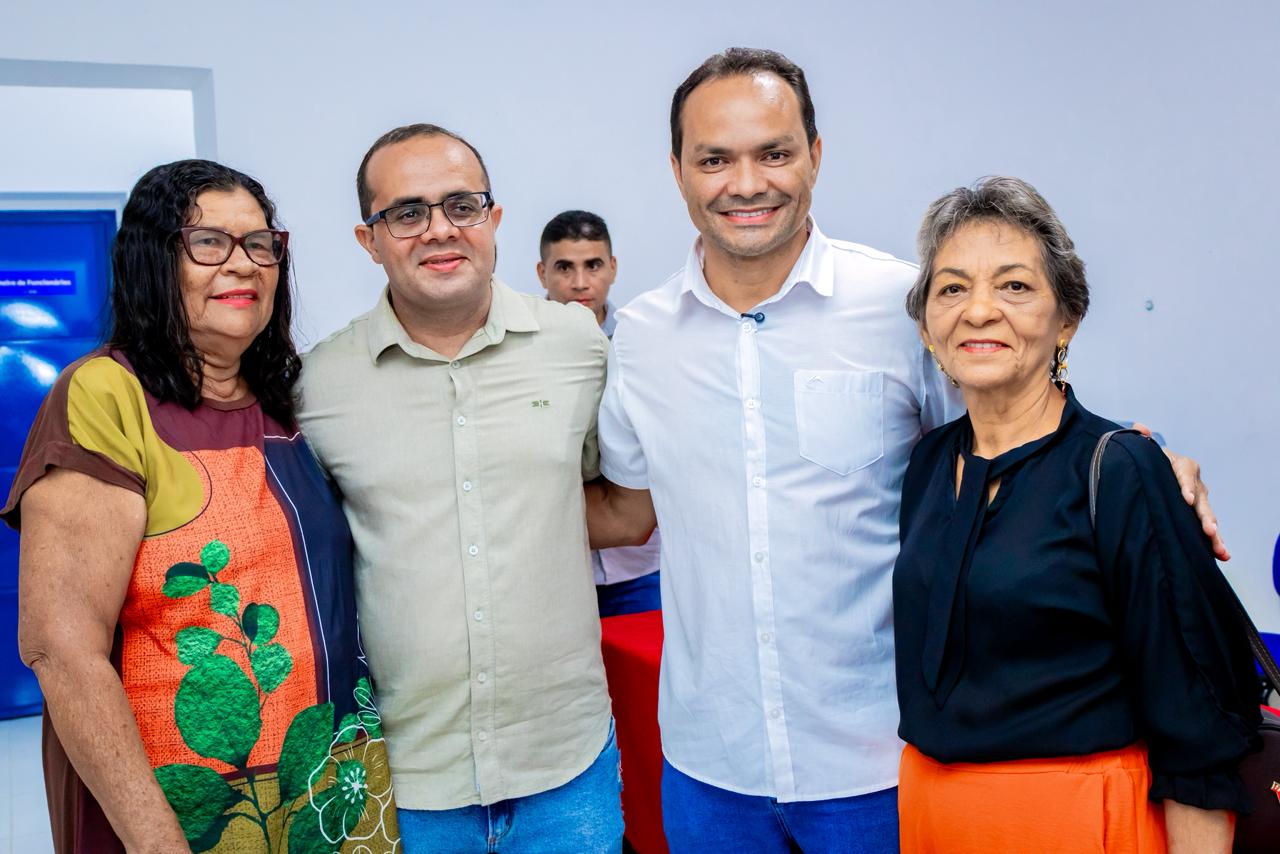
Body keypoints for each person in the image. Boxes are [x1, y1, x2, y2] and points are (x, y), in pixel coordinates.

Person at [585, 48, 1224, 853]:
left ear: (815, 156)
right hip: (711, 770)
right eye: (715, 158)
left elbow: (1016, 420)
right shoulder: (640, 338)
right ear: (677, 169)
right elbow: (631, 506)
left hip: (880, 768)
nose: (746, 183)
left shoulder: (900, 305)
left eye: (774, 153)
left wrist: (1156, 460)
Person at [4, 160, 399, 853]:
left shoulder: (287, 399)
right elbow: (61, 649)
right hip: (187, 815)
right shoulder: (106, 396)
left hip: (330, 789)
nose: (243, 265)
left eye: (260, 244)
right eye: (209, 242)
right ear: (155, 261)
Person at [892, 176, 1260, 853]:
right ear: (925, 325)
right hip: (933, 823)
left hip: (1077, 824)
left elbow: (1196, 732)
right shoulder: (927, 463)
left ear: (1067, 318)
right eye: (952, 288)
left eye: (1014, 286)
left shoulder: (1121, 469)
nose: (979, 311)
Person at [296, 124, 623, 853]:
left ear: (494, 220)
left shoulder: (577, 347)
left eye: (462, 205)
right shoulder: (319, 386)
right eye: (406, 213)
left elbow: (614, 502)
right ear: (368, 239)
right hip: (408, 782)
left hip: (567, 769)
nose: (439, 229)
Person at [537, 210, 661, 616]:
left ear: (612, 267)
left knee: (648, 674)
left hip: (642, 565)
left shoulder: (645, 343)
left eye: (592, 265)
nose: (579, 282)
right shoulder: (517, 352)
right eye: (564, 267)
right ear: (542, 273)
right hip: (554, 569)